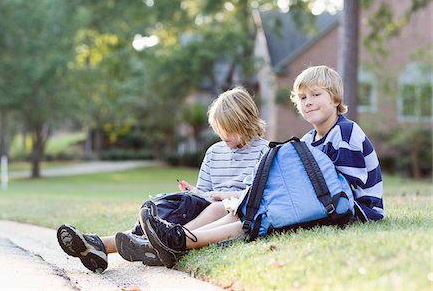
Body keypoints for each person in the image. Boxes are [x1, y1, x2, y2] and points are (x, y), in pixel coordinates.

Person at [139, 65, 384, 268]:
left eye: (316, 94)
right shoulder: (309, 140)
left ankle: (182, 241)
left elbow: (347, 191)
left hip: (356, 212)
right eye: (302, 97)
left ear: (335, 99)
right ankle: (175, 239)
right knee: (247, 210)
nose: (308, 102)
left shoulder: (345, 132)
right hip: (328, 205)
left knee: (261, 217)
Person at [56, 87, 269, 273]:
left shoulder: (265, 152)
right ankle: (99, 245)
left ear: (245, 122)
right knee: (167, 207)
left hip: (230, 210)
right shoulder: (214, 152)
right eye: (219, 130)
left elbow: (264, 195)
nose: (224, 136)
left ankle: (167, 243)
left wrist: (228, 196)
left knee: (216, 208)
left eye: (229, 130)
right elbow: (204, 191)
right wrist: (193, 191)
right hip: (206, 206)